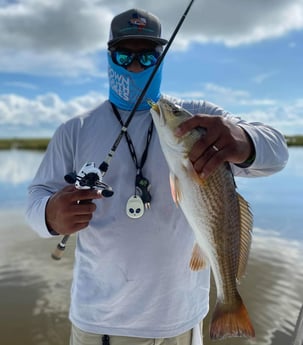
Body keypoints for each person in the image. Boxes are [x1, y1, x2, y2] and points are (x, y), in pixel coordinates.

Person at [26, 8, 289, 345]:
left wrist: (244, 140)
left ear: (160, 59)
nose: (135, 66)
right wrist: (49, 214)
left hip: (184, 320)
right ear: (110, 58)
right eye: (125, 55)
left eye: (147, 56)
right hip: (102, 323)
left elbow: (278, 153)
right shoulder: (75, 131)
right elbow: (35, 200)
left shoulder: (200, 119)